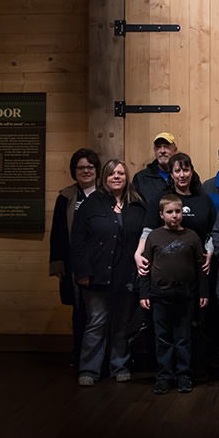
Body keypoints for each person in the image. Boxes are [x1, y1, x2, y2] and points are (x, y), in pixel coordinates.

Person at [71, 159, 146, 386]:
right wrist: (82, 271)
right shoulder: (91, 204)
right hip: (96, 275)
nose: (117, 177)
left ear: (127, 177)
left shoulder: (137, 205)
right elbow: (78, 240)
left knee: (122, 323)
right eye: (112, 173)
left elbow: (145, 236)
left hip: (126, 276)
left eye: (121, 173)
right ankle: (89, 370)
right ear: (104, 177)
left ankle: (119, 365)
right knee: (97, 321)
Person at [138, 195, 209, 395]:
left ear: (183, 213)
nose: (174, 215)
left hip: (185, 296)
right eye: (169, 212)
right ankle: (164, 376)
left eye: (178, 211)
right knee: (163, 338)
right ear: (161, 215)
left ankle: (184, 375)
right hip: (159, 296)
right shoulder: (154, 237)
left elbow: (201, 266)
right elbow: (145, 267)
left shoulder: (192, 236)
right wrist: (144, 293)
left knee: (183, 337)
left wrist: (203, 292)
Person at [49, 148, 101, 368]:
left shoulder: (106, 194)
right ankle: (79, 352)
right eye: (81, 168)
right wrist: (58, 263)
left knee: (99, 311)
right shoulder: (66, 196)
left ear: (97, 170)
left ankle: (100, 355)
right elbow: (58, 233)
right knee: (79, 310)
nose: (86, 171)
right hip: (74, 264)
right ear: (74, 171)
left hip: (101, 262)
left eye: (90, 167)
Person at [131, 131, 179, 207]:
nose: (162, 151)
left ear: (175, 150)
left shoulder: (185, 177)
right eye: (158, 147)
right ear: (154, 151)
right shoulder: (141, 178)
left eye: (166, 146)